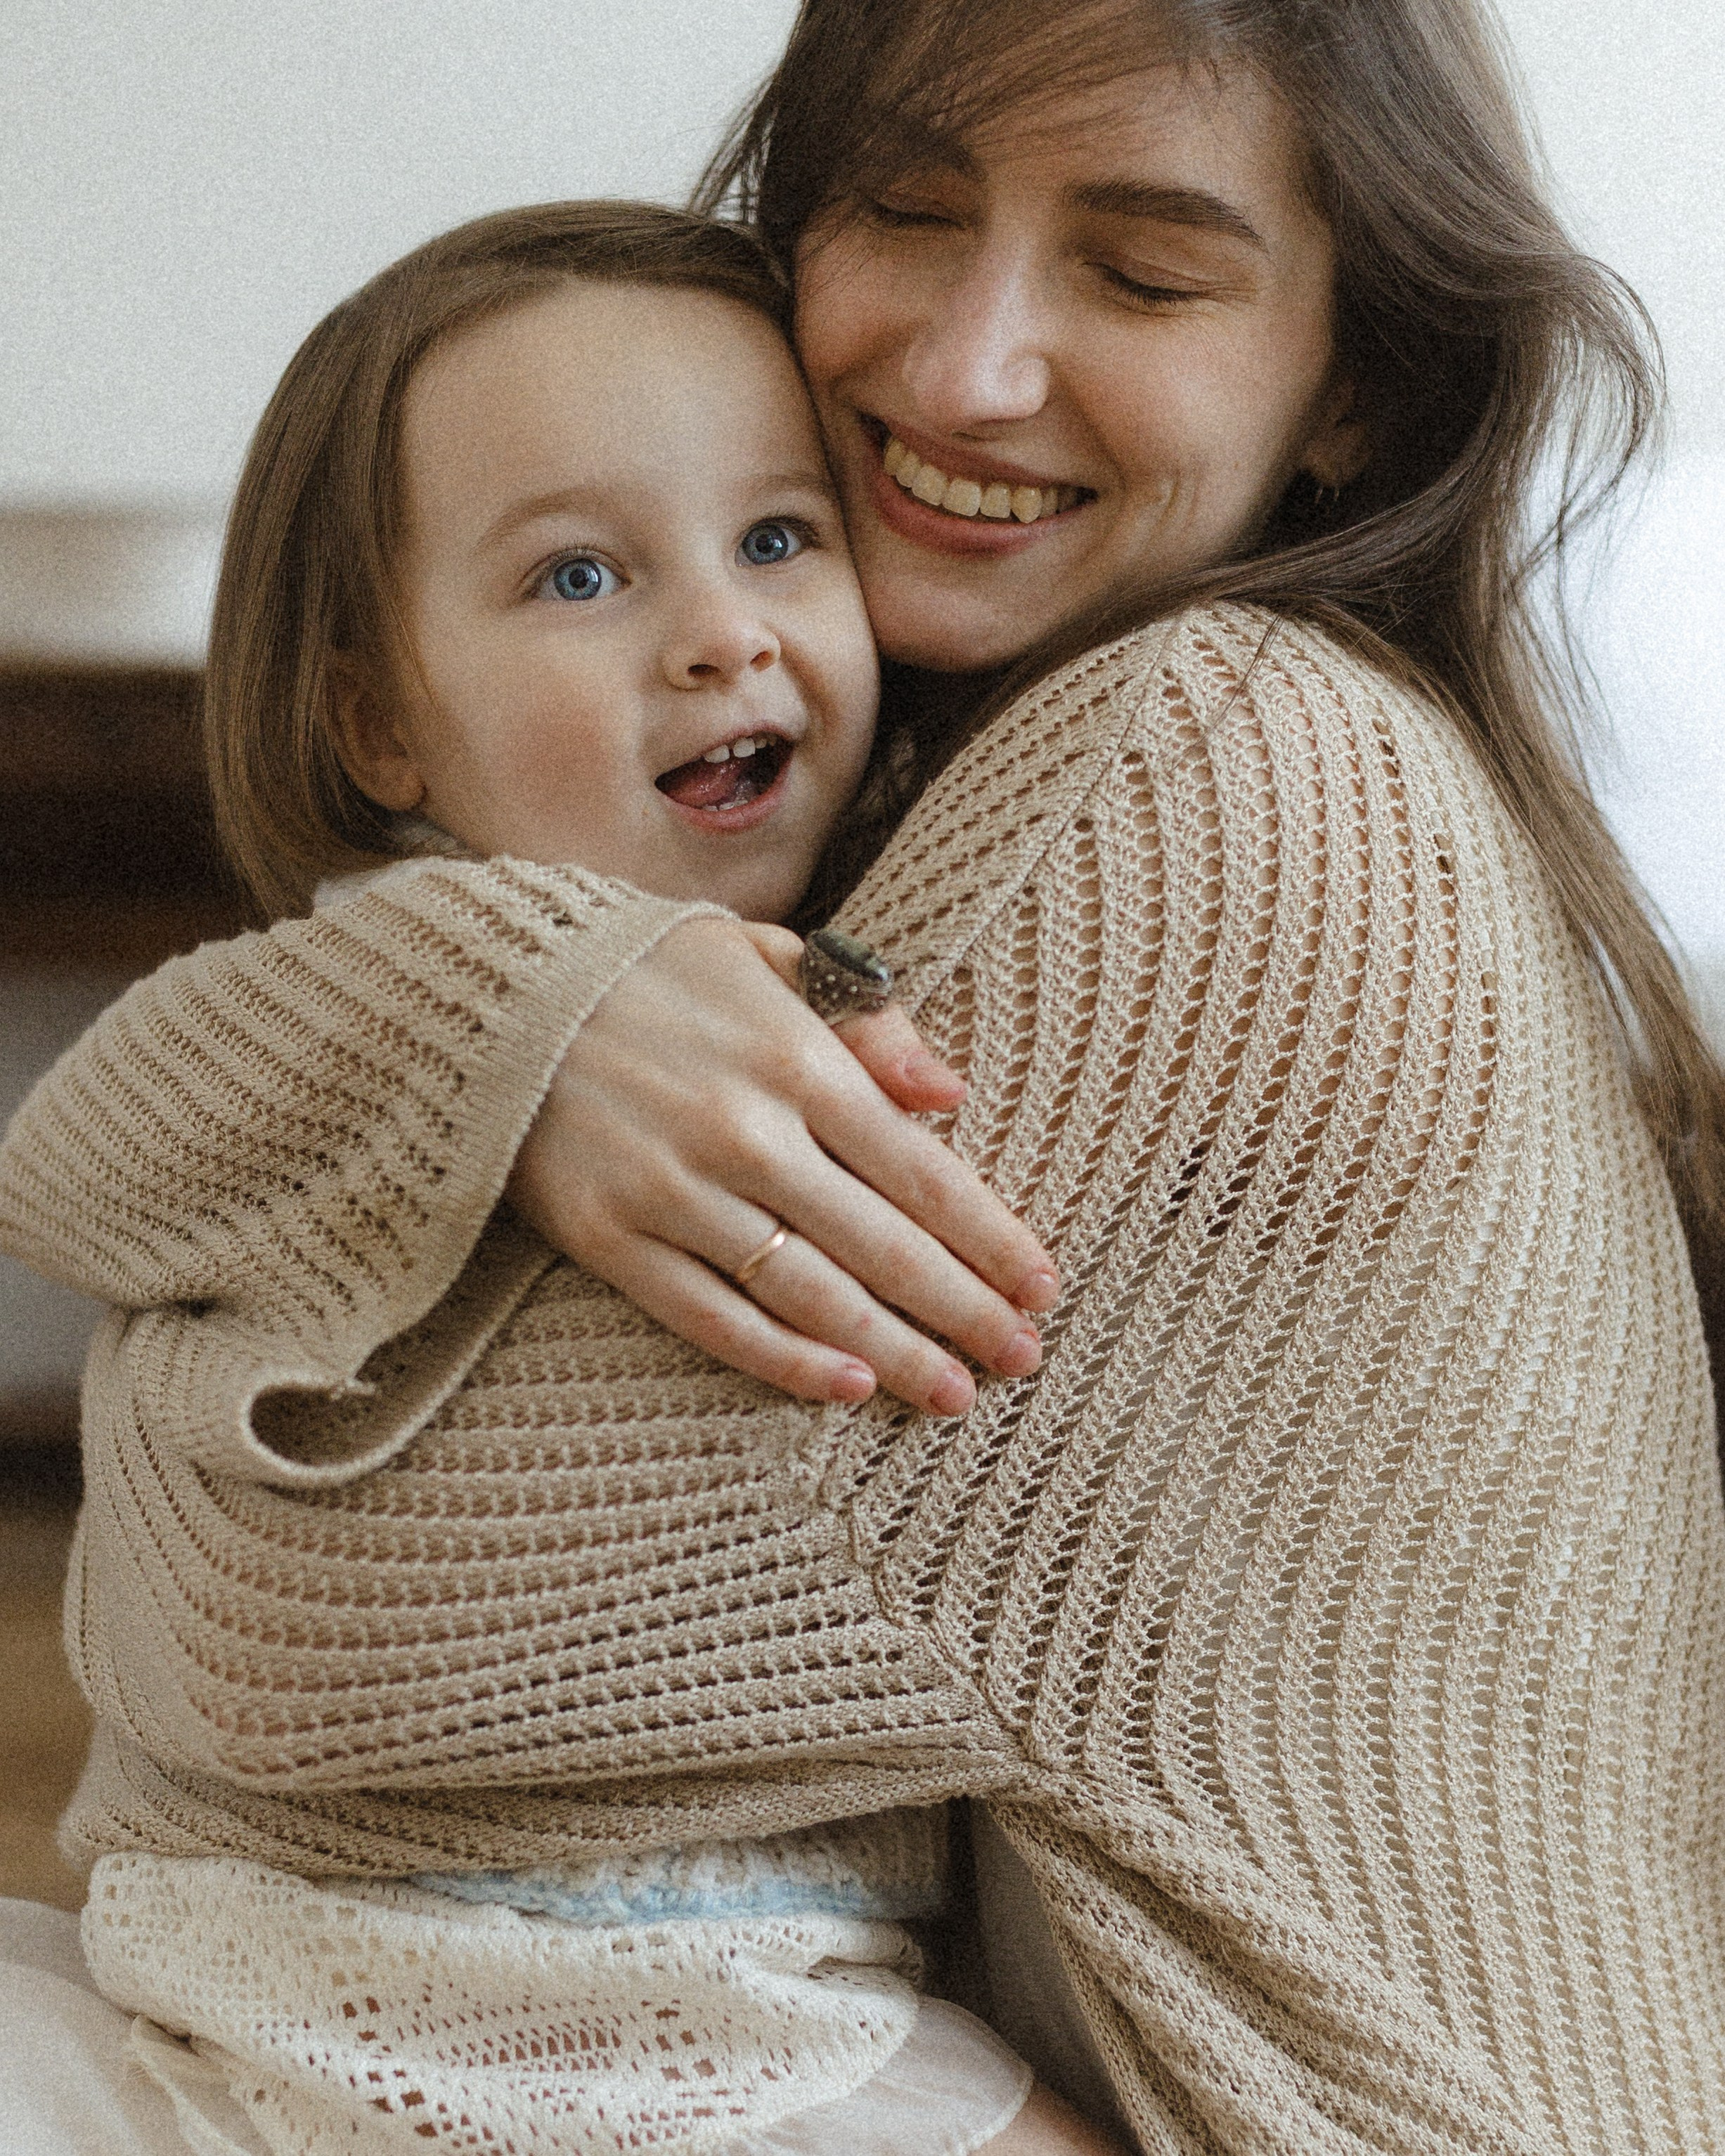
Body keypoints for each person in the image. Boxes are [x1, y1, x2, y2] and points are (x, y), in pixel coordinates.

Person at [4, 0, 1724, 2150]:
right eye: (908, 209)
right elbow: (75, 1154)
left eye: (1143, 272)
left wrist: (185, 1356)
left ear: (1355, 380)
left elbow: (277, 1634)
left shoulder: (1232, 764)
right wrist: (519, 998)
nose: (971, 368)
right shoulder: (915, 785)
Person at [0, 200, 1097, 2156]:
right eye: (581, 574)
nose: (721, 631)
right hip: (266, 1977)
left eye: (781, 538)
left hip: (745, 2010)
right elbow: (69, 1150)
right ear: (379, 720)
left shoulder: (930, 940)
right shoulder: (373, 968)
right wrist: (521, 999)